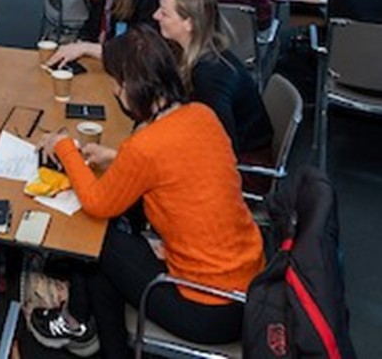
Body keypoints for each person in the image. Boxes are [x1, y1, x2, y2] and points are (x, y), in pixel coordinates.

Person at [34, 29, 263, 358]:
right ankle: (86, 328)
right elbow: (182, 171)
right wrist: (116, 157)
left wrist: (63, 147)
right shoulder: (202, 115)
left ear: (131, 87)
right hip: (248, 287)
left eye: (116, 83)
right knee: (113, 255)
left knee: (100, 243)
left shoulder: (145, 147)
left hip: (207, 308)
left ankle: (90, 331)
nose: (114, 90)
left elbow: (98, 203)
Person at [154, 0, 274, 163]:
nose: (156, 16)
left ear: (189, 23)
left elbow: (220, 146)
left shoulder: (210, 76)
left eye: (164, 13)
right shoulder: (197, 54)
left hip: (241, 169)